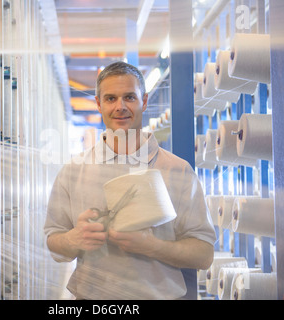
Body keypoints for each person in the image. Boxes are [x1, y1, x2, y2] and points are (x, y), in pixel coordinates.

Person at [44, 61, 216, 300]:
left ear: (144, 101)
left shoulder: (177, 170)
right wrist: (74, 239)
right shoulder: (73, 170)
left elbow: (204, 254)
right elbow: (54, 240)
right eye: (111, 98)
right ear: (98, 104)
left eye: (129, 98)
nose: (120, 107)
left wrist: (151, 246)